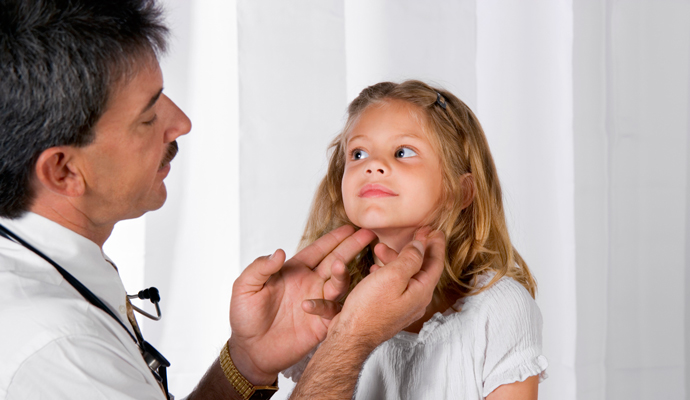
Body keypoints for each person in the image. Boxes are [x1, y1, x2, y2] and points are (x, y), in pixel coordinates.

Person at [0, 1, 446, 399]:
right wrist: (348, 343)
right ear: (63, 171)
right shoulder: (56, 352)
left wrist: (245, 366)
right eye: (148, 115)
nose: (182, 123)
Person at [283, 80, 549, 399]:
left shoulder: (499, 306)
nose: (373, 165)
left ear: (461, 191)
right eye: (358, 153)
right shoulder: (326, 306)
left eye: (403, 152)